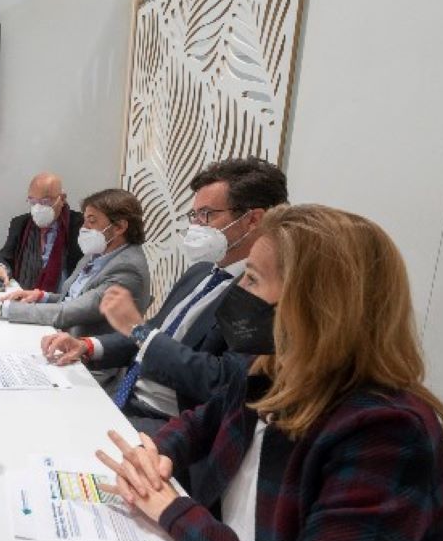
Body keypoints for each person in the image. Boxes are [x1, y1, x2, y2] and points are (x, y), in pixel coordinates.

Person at [95, 204, 443, 541]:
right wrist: (157, 451)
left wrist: (172, 510)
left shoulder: (385, 433)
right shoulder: (268, 370)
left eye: (252, 279)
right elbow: (202, 422)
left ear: (315, 307)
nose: (237, 293)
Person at [42, 157, 288, 433]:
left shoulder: (259, 294)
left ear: (252, 219)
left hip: (169, 424)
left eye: (206, 214)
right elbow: (153, 335)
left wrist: (138, 330)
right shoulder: (200, 272)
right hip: (125, 399)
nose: (196, 226)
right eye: (194, 216)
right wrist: (89, 346)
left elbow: (219, 380)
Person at [0, 188, 151, 341]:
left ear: (119, 227)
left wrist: (0, 310)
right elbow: (74, 298)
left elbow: (72, 311)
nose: (84, 229)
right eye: (85, 221)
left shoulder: (127, 269)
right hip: (62, 337)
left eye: (92, 221)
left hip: (90, 362)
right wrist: (42, 296)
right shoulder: (99, 252)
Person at [0, 172, 84, 291]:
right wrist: (0, 267)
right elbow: (5, 255)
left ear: (62, 199)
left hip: (63, 300)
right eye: (33, 202)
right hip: (23, 295)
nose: (38, 207)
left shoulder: (80, 225)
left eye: (45, 201)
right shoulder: (20, 224)